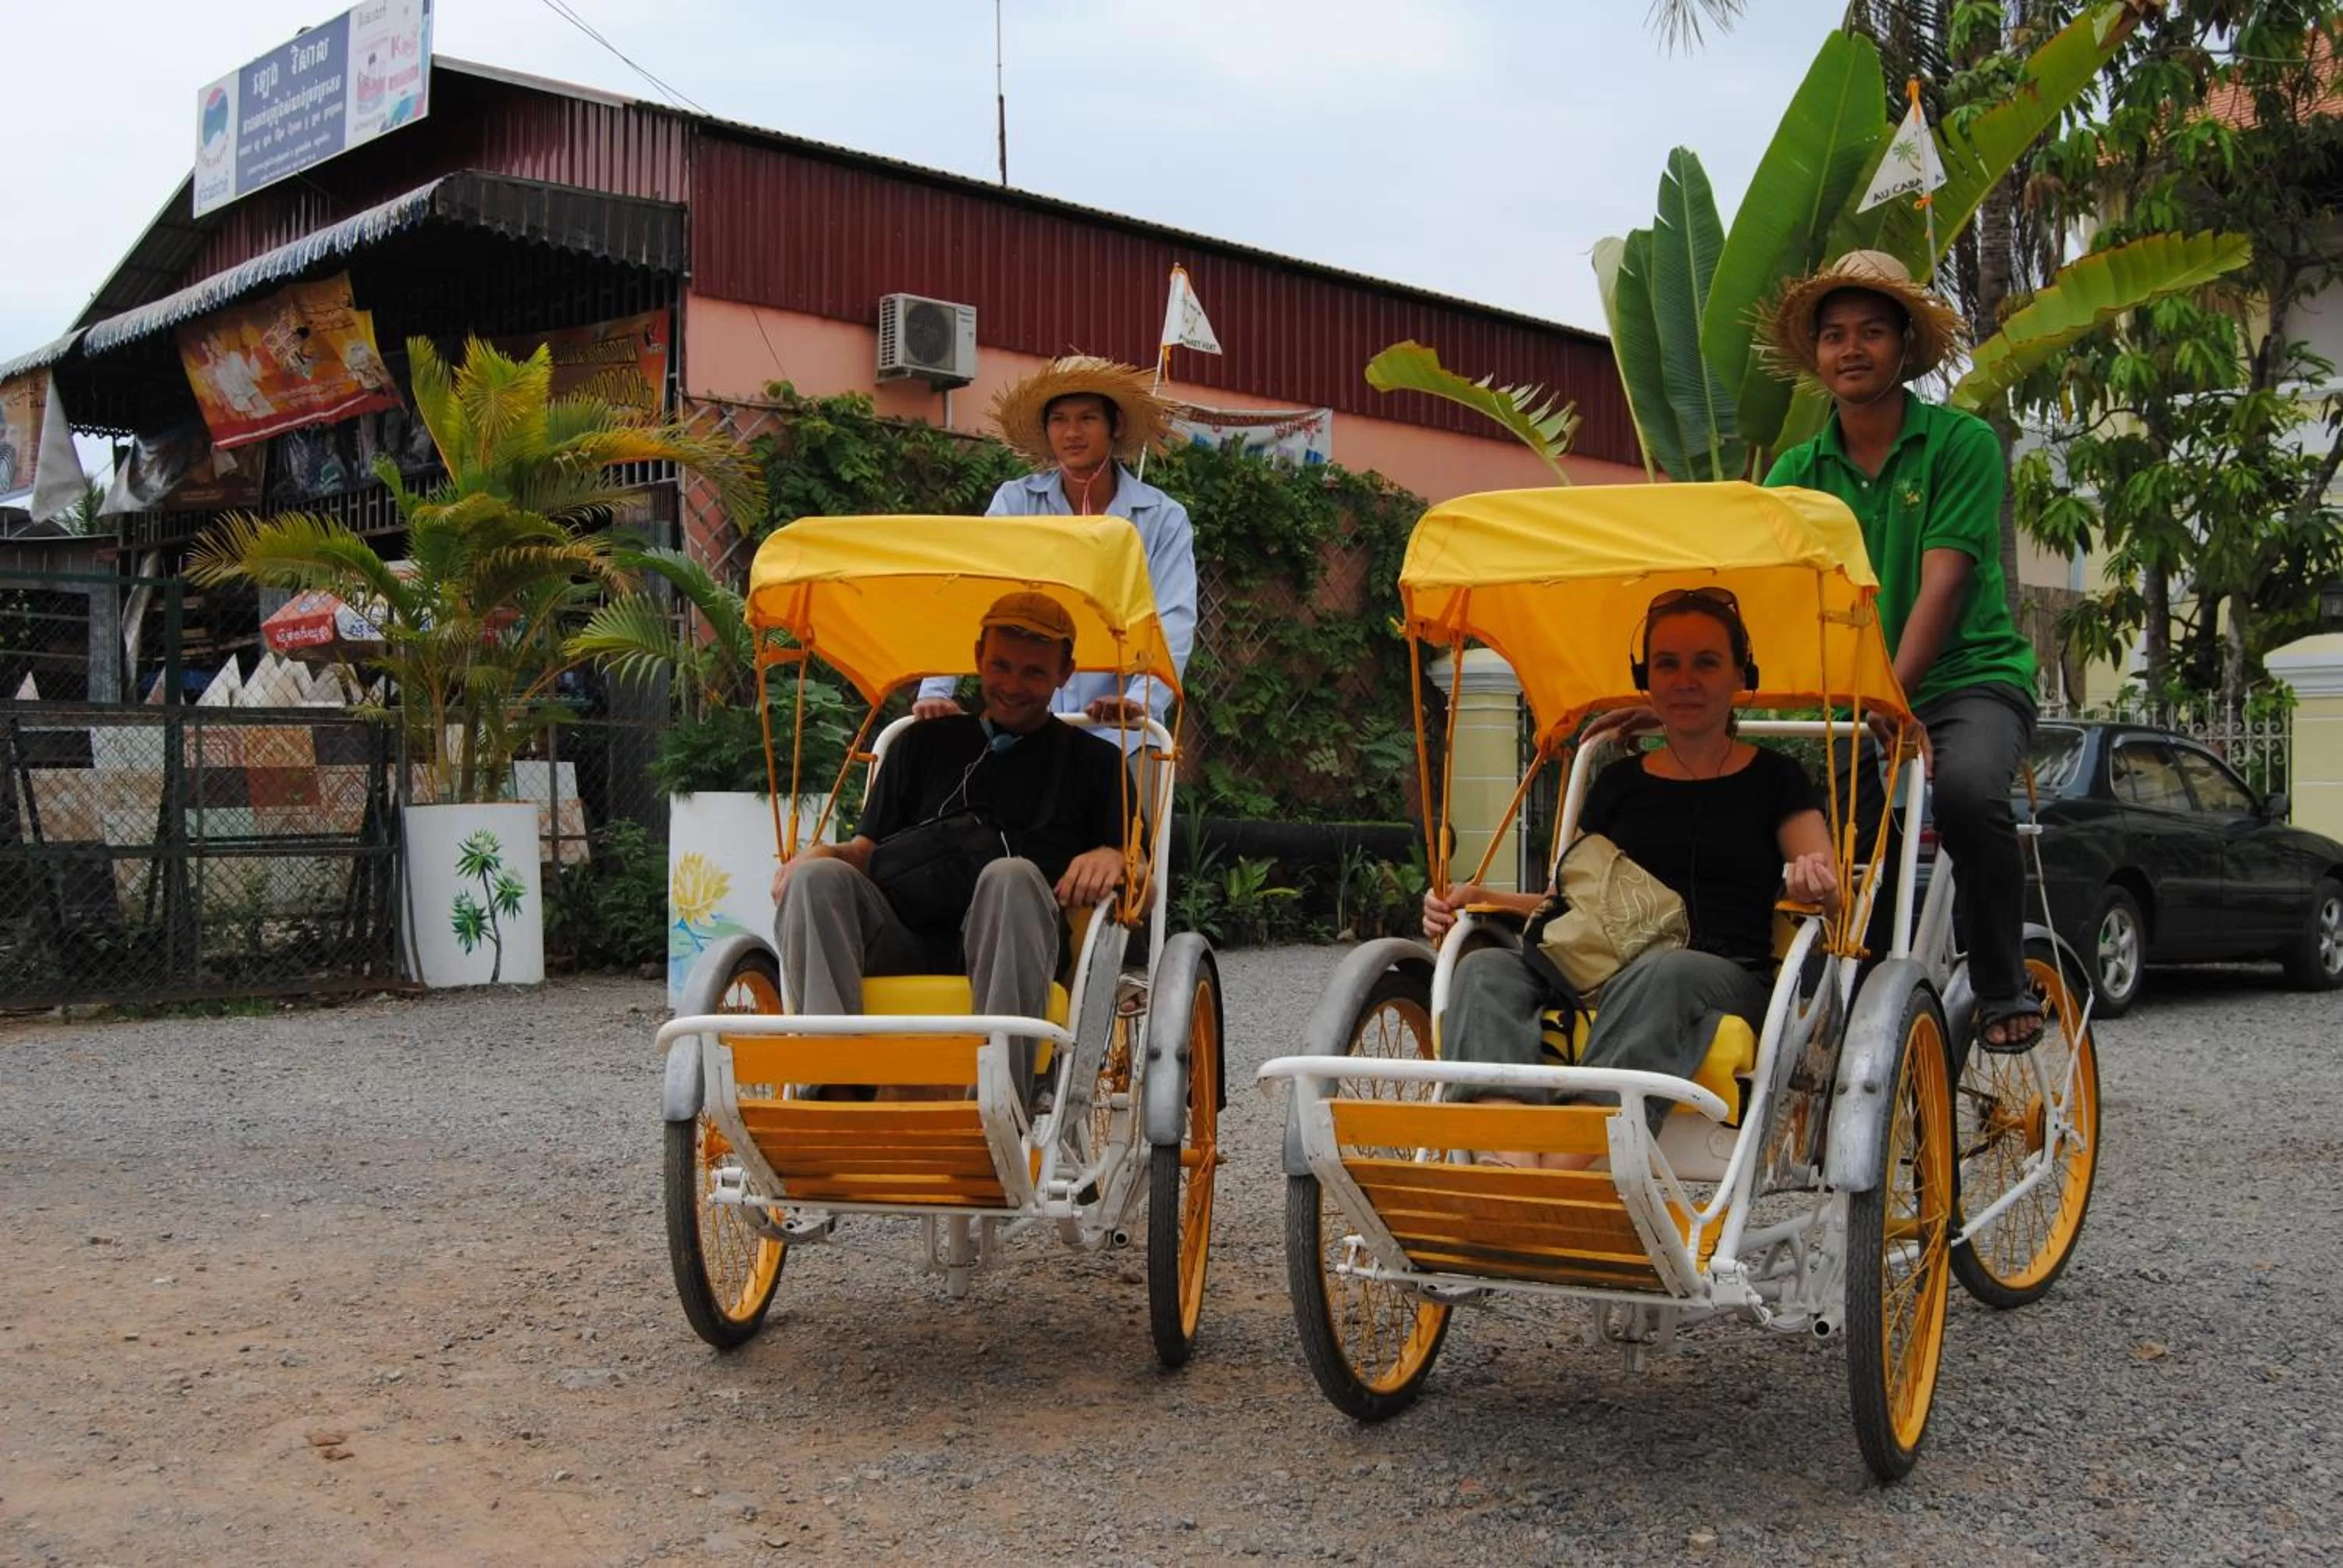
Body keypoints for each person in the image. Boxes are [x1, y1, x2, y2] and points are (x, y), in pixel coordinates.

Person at [1423, 590, 1838, 1170]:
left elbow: (1826, 883)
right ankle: (1511, 1166)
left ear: (1740, 676)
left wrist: (1815, 881)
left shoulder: (1776, 779)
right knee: (1486, 970)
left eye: (1706, 662)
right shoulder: (1619, 784)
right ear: (1647, 679)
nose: (1685, 679)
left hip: (1720, 973)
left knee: (1660, 973)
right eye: (1667, 664)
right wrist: (1477, 899)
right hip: (1599, 961)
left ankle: (1564, 1174)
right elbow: (1564, 902)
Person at [1762, 249, 2044, 1052]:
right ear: (1816, 354)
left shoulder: (1960, 444)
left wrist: (1895, 699)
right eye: (1835, 336)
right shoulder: (1796, 473)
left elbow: (1944, 585)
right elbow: (1783, 600)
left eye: (1873, 333)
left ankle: (2000, 980)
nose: (1852, 349)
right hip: (1857, 695)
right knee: (1842, 840)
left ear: (1905, 347)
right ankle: (1861, 1000)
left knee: (1965, 793)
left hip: (1968, 678)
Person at [771, 591, 1130, 1106]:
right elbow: (865, 851)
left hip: (1016, 945)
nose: (1012, 686)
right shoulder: (920, 744)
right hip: (905, 936)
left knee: (1010, 875)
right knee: (815, 878)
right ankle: (833, 1088)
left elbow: (1145, 882)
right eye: (1000, 666)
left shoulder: (1095, 763)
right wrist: (818, 856)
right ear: (979, 657)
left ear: (1065, 673)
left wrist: (1114, 856)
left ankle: (996, 1100)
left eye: (1033, 673)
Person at [914, 357, 1196, 737]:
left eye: (1088, 418)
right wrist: (935, 692)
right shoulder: (1016, 504)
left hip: (1122, 732)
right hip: (1024, 720)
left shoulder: (1163, 517)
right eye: (1059, 419)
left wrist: (1141, 702)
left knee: (1125, 789)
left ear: (1117, 425)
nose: (1072, 432)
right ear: (1047, 430)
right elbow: (975, 590)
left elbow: (1173, 620)